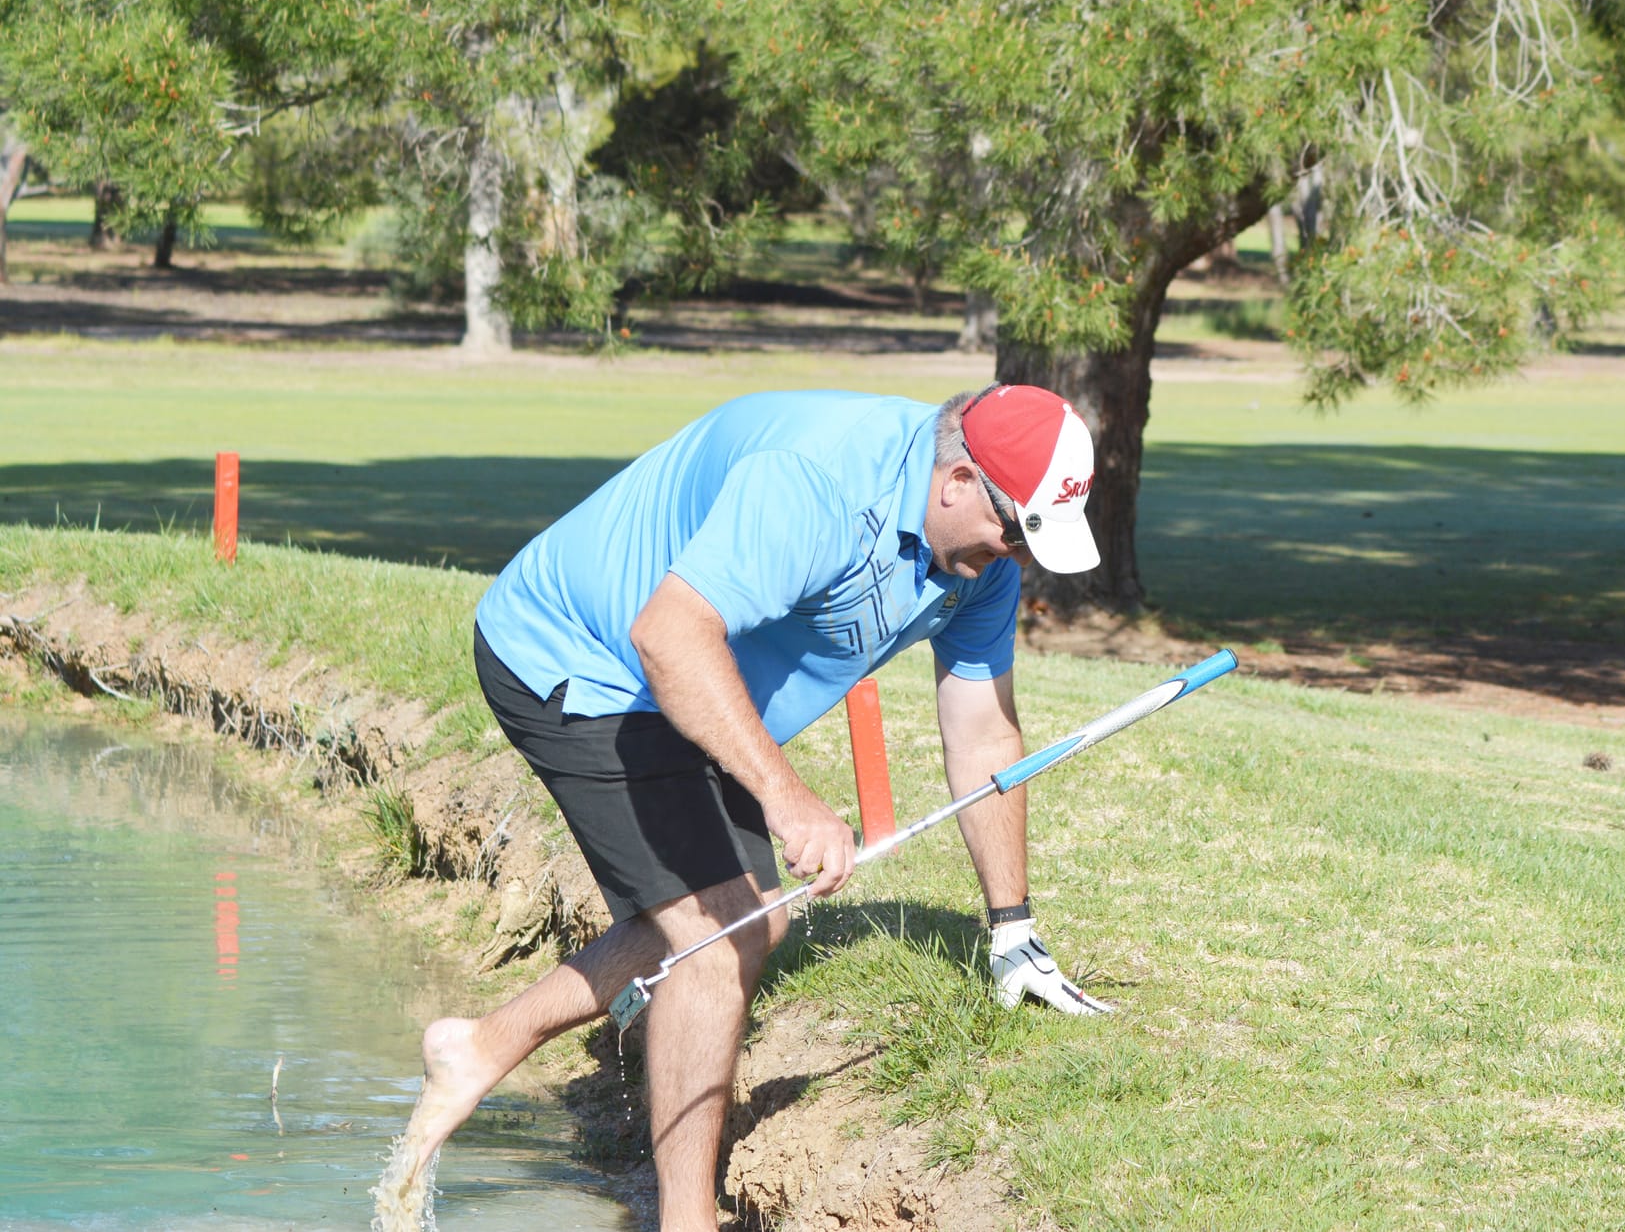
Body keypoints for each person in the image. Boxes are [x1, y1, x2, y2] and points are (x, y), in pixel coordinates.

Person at [383, 383, 1110, 1232]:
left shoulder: (977, 567)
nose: (1013, 557)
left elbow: (985, 734)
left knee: (741, 915)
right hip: (582, 655)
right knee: (723, 929)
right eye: (1015, 530)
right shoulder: (816, 486)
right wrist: (791, 801)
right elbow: (667, 635)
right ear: (956, 481)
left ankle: (475, 1049)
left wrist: (1012, 927)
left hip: (691, 674)